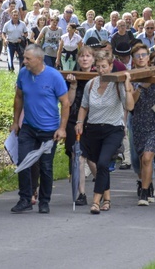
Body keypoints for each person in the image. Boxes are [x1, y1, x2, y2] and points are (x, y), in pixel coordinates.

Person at [11, 44, 70, 214]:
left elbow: (65, 103)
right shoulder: (23, 74)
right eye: (24, 58)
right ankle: (25, 198)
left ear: (39, 59)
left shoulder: (54, 76)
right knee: (23, 162)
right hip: (28, 127)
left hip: (49, 130)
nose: (24, 61)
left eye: (28, 59)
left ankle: (44, 201)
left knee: (46, 166)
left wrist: (62, 128)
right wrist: (16, 122)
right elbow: (18, 97)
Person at [75, 51, 134, 213]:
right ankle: (107, 199)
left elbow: (129, 106)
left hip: (113, 130)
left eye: (104, 66)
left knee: (102, 163)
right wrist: (80, 122)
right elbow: (84, 106)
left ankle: (96, 202)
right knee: (98, 164)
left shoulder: (117, 84)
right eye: (98, 67)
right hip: (93, 129)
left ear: (111, 66)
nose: (101, 70)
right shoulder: (91, 84)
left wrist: (128, 88)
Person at [129, 44, 155, 205]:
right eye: (138, 56)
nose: (141, 58)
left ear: (148, 57)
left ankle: (144, 193)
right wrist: (141, 87)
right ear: (134, 59)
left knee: (147, 157)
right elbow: (131, 103)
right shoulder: (130, 77)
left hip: (154, 121)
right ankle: (148, 185)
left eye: (144, 54)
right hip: (137, 121)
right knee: (140, 159)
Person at [63, 46, 96, 206]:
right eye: (82, 56)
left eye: (88, 56)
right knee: (78, 157)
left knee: (93, 160)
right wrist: (73, 86)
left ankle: (102, 186)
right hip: (73, 120)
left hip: (93, 121)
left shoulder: (99, 76)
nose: (84, 59)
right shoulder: (70, 76)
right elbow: (67, 103)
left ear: (93, 59)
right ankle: (81, 193)